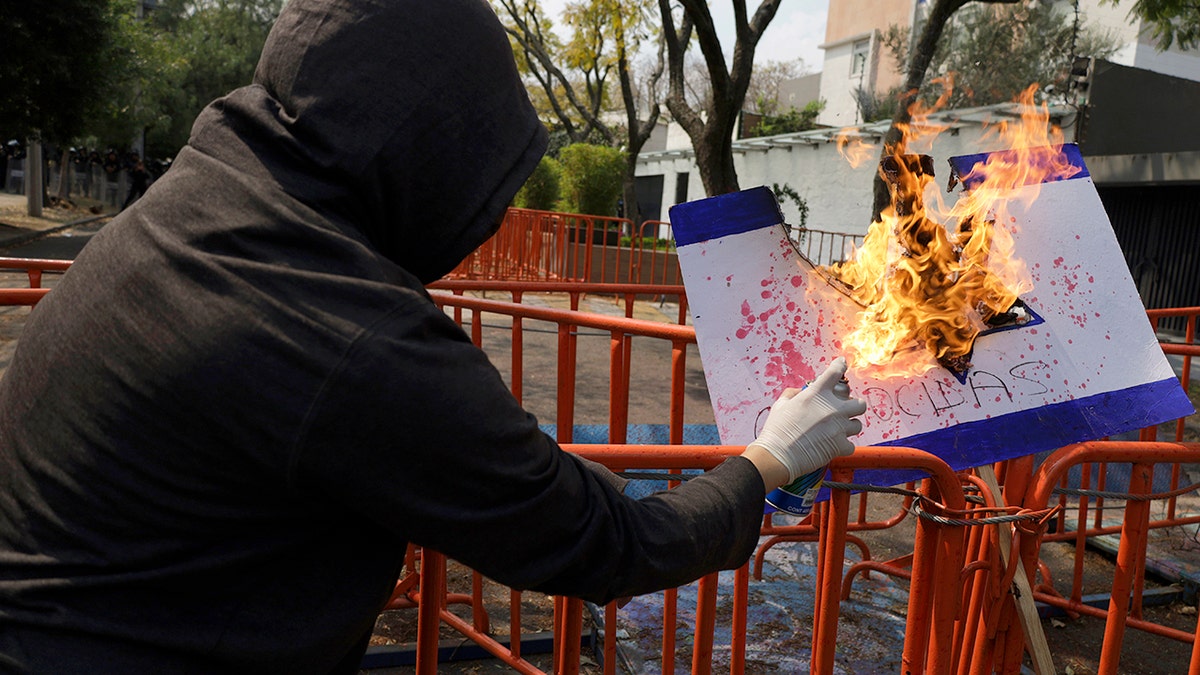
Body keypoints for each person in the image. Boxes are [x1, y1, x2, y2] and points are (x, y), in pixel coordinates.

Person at [0, 1, 866, 672]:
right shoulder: (339, 325)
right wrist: (770, 463)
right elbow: (597, 540)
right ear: (426, 147)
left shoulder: (198, 206)